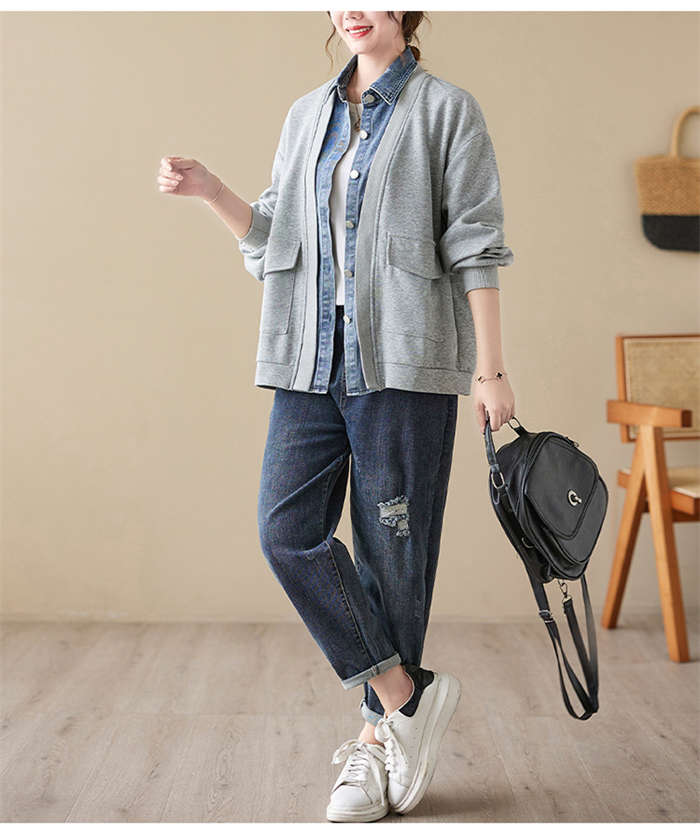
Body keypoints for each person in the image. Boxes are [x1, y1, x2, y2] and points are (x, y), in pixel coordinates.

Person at [157, 10, 515, 823]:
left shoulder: (446, 110)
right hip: (308, 358)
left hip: (405, 365)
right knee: (287, 531)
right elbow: (275, 238)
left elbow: (477, 243)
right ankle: (402, 695)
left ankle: (375, 747)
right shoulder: (306, 115)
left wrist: (490, 370)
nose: (353, 7)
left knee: (394, 558)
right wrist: (212, 192)